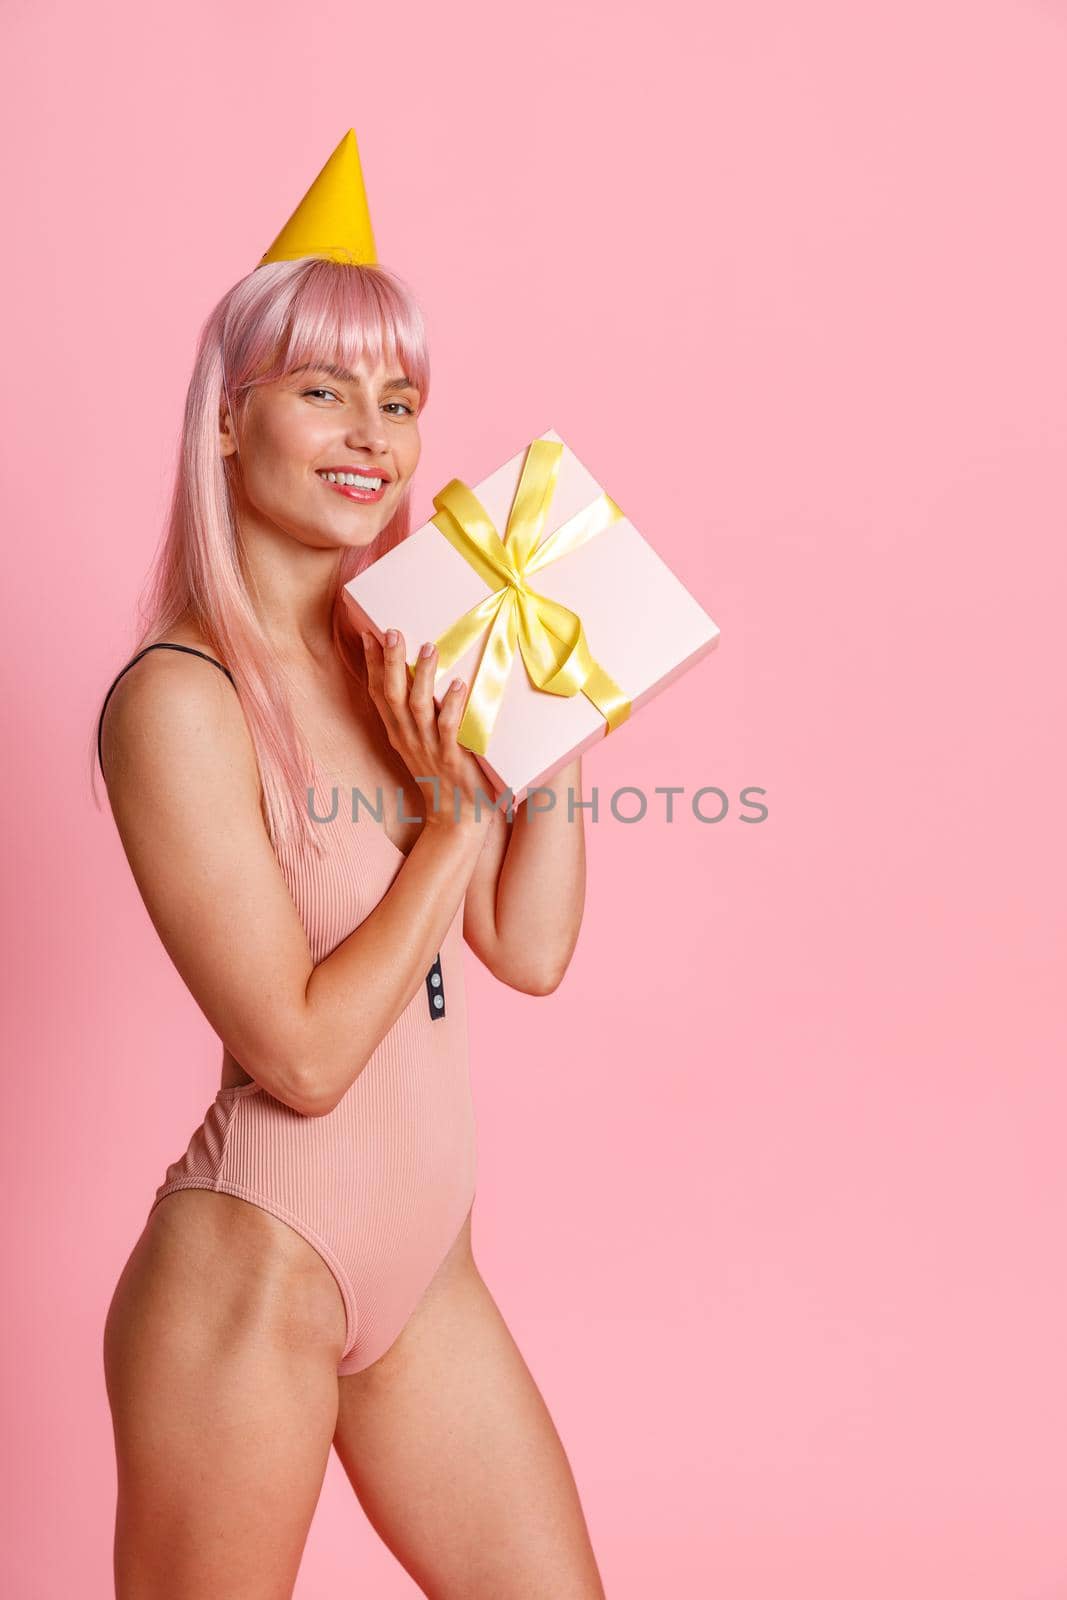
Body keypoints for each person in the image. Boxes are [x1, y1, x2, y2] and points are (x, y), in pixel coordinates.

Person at [94, 131, 604, 1598]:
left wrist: (547, 730)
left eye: (398, 398)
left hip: (426, 1276)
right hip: (252, 1273)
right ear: (228, 422)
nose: (370, 433)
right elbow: (304, 1058)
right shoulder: (181, 699)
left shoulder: (399, 661)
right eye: (322, 392)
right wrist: (451, 820)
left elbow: (530, 947)